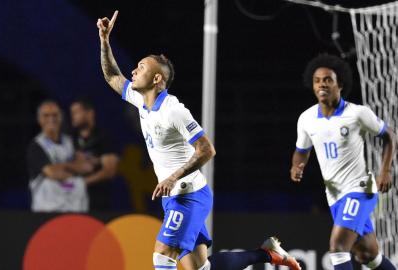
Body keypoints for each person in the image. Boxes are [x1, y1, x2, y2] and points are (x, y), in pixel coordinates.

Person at [97, 10, 301, 270]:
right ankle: (267, 254)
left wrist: (173, 177)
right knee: (202, 268)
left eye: (142, 67)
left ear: (157, 79)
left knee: (162, 257)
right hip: (175, 197)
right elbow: (112, 76)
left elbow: (207, 149)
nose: (134, 70)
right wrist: (105, 41)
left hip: (188, 196)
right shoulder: (140, 100)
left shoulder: (173, 110)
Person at [290, 53, 396, 270]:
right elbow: (301, 150)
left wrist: (385, 171)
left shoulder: (357, 113)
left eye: (328, 79)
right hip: (335, 195)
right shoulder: (307, 119)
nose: (322, 84)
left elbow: (390, 136)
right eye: (317, 80)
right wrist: (296, 166)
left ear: (340, 84)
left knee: (338, 247)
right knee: (367, 254)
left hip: (360, 189)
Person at [27, 100, 93, 212]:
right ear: (39, 119)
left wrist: (61, 167)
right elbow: (52, 173)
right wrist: (73, 168)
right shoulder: (36, 146)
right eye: (46, 115)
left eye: (55, 115)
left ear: (61, 117)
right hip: (47, 211)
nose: (51, 119)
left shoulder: (71, 142)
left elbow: (87, 167)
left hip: (74, 208)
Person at [70, 97, 119, 211]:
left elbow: (109, 171)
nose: (73, 116)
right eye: (72, 113)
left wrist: (83, 183)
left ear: (90, 113)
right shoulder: (70, 139)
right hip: (73, 202)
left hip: (99, 202)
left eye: (76, 112)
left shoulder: (104, 137)